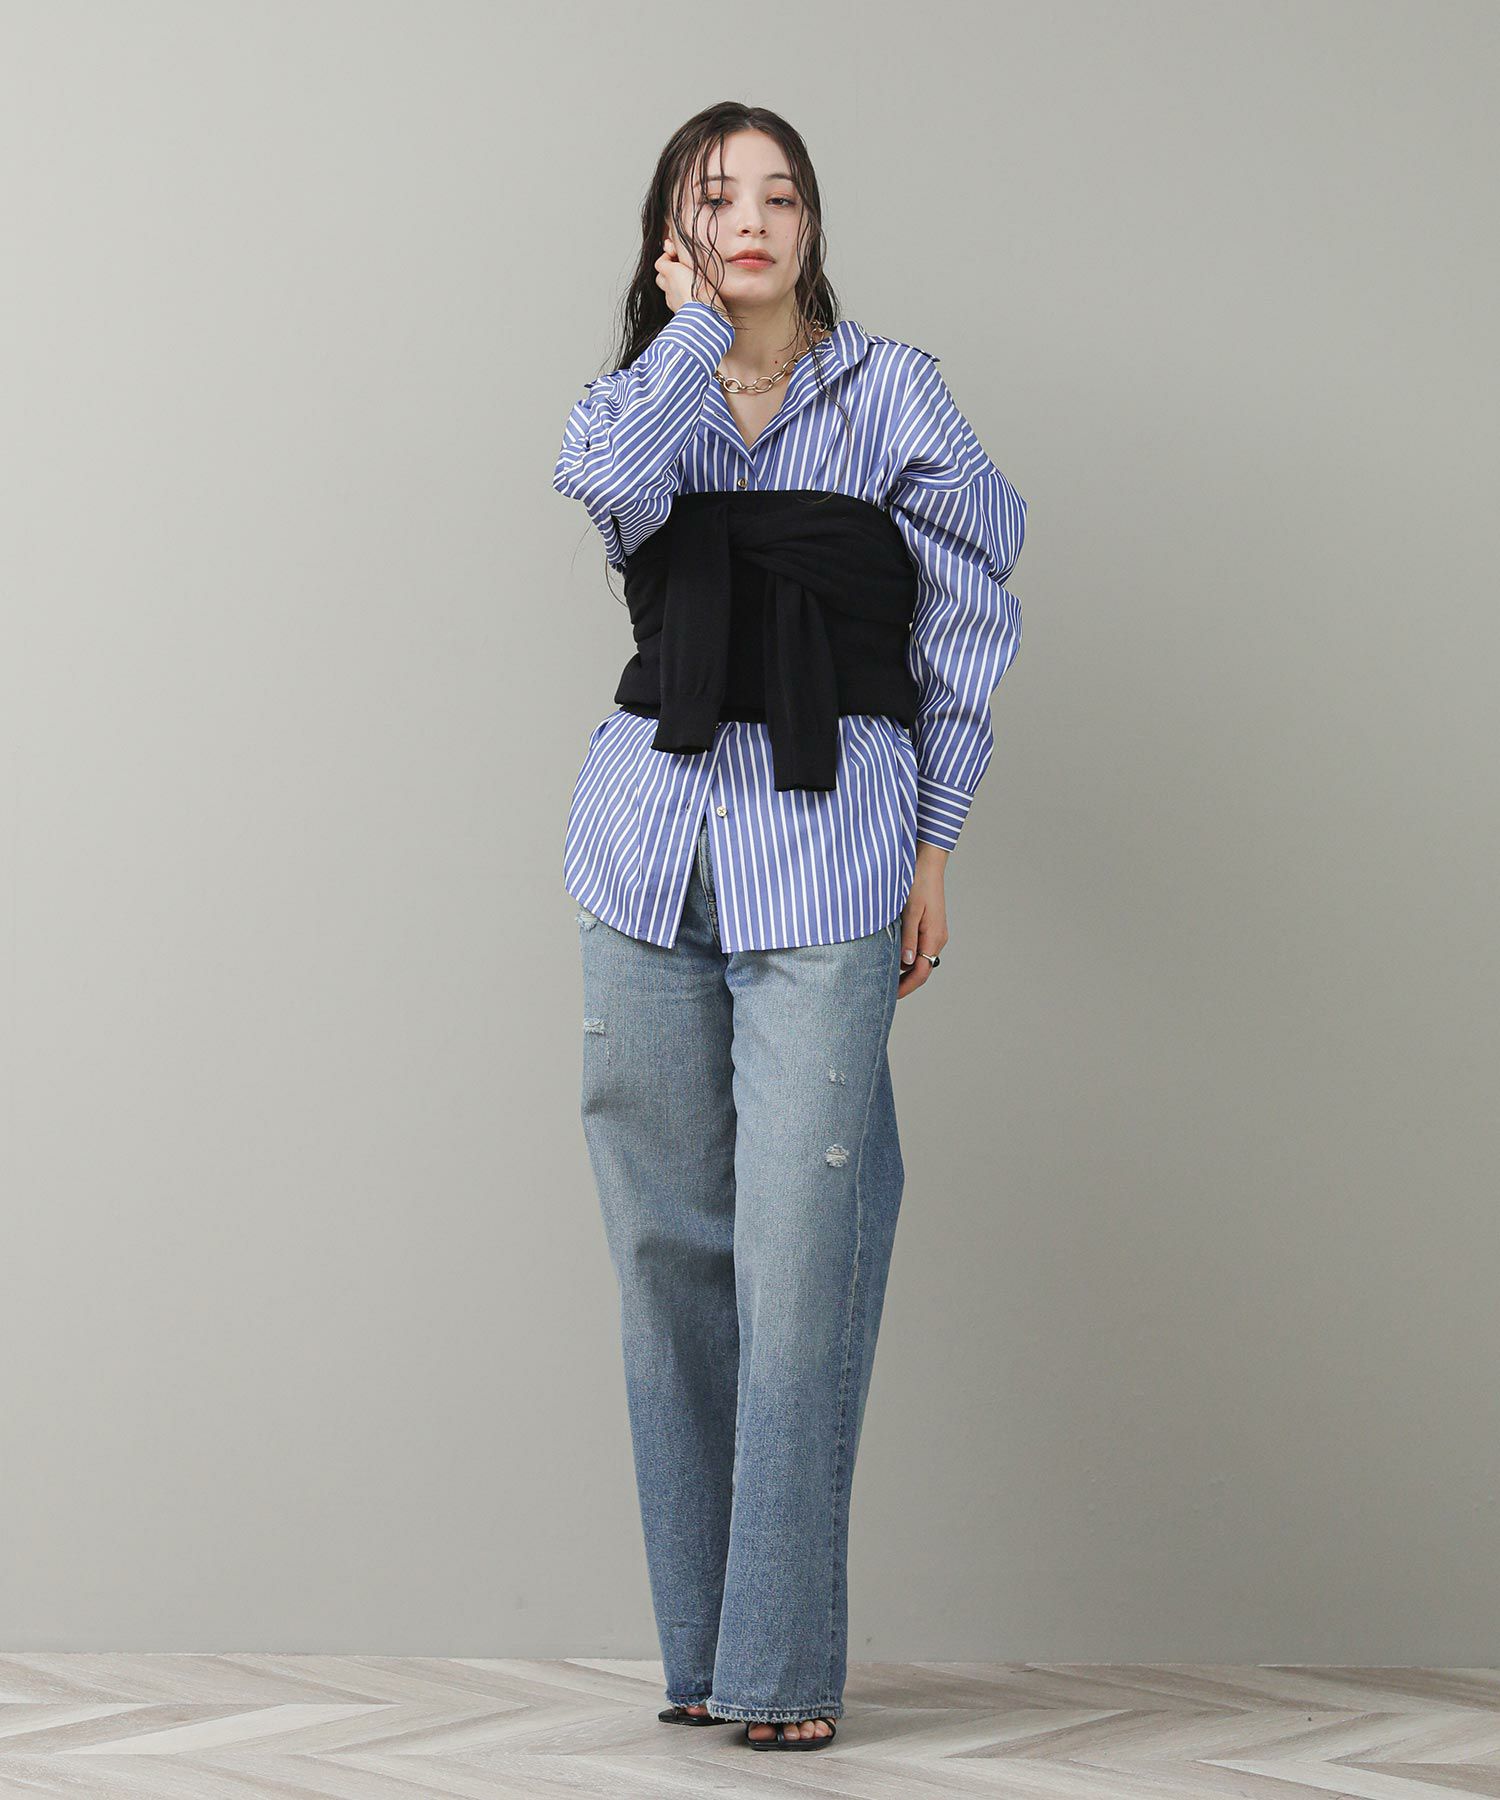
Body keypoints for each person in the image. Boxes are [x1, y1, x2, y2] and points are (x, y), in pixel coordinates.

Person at [552, 103, 1026, 1753]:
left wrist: (936, 843)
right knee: (668, 1258)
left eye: (780, 194)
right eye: (716, 197)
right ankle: (698, 1657)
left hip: (831, 843)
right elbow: (604, 488)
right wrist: (691, 335)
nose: (752, 218)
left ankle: (779, 1670)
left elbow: (970, 616)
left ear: (814, 223)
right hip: (644, 844)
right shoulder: (648, 390)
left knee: (804, 1253)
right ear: (673, 231)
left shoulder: (895, 394)